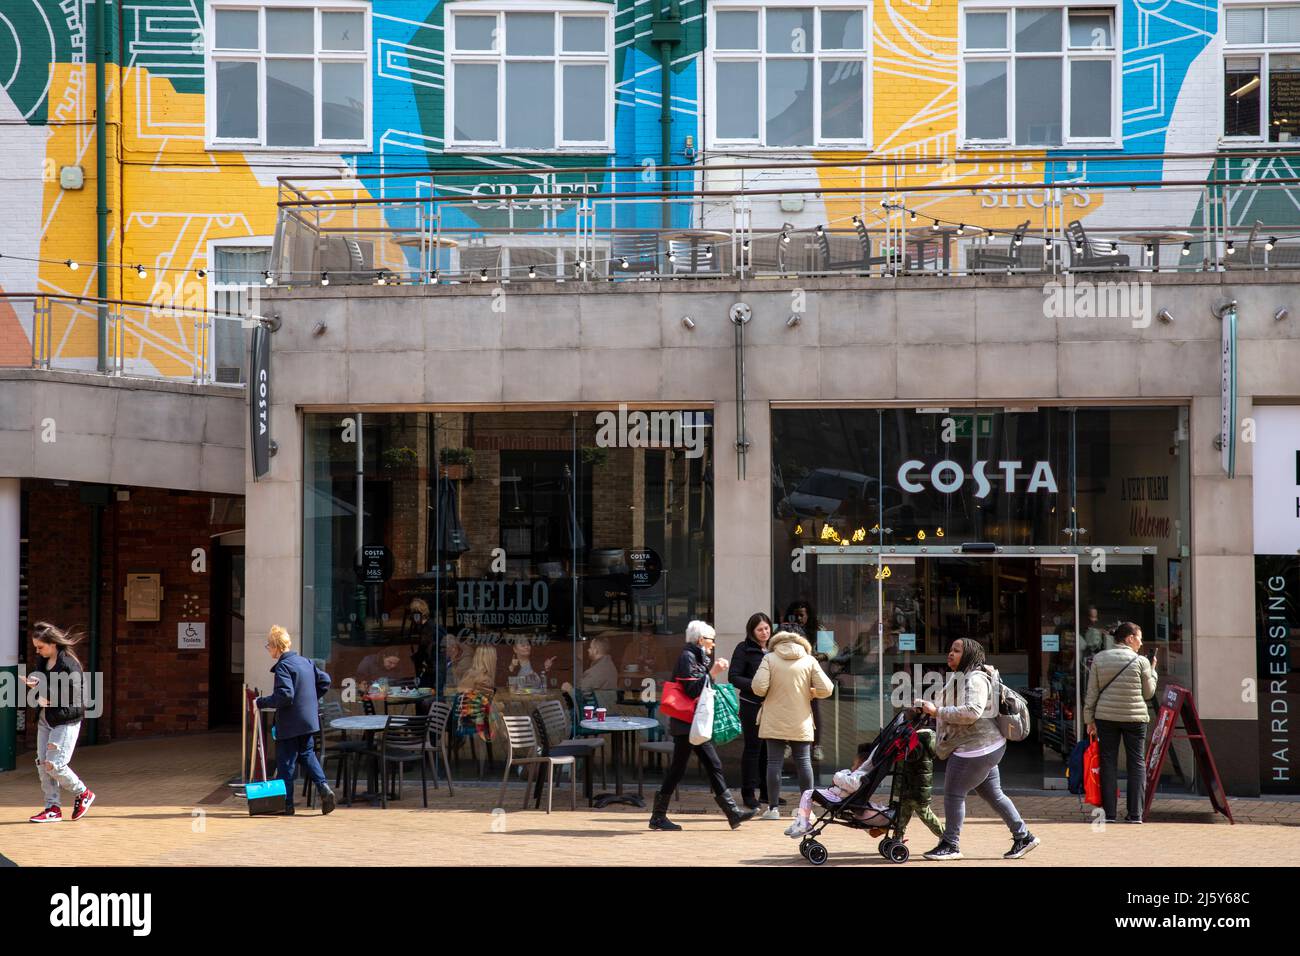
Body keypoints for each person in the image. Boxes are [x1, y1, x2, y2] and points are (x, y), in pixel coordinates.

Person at [915, 638, 1038, 860]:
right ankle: (1024, 837)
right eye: (950, 649)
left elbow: (972, 711)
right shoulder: (962, 677)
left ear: (969, 655)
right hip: (986, 746)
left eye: (957, 650)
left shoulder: (974, 679)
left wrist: (937, 712)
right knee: (993, 794)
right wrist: (932, 709)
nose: (950, 653)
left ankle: (951, 844)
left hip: (975, 749)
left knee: (953, 794)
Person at [648, 621, 756, 832]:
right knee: (681, 769)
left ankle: (732, 814)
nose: (713, 644)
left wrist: (712, 675)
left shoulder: (696, 656)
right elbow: (692, 690)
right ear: (700, 640)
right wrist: (713, 673)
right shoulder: (687, 657)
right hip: (686, 724)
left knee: (711, 764)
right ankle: (658, 817)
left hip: (694, 723)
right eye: (711, 640)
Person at [752, 629, 834, 820]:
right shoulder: (809, 660)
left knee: (773, 763)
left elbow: (758, 687)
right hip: (801, 718)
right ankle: (806, 810)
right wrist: (812, 692)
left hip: (774, 717)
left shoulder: (769, 658)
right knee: (804, 762)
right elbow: (827, 689)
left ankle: (773, 809)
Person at [256, 626, 336, 816]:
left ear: (276, 646)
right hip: (308, 721)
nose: (268, 649)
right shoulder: (305, 661)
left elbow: (285, 695)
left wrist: (262, 702)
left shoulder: (284, 666)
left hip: (290, 723)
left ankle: (287, 805)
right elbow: (325, 681)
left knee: (286, 763)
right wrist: (309, 700)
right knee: (307, 754)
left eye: (269, 646)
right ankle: (324, 788)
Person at [1084, 622, 1158, 824]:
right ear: (1129, 638)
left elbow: (1092, 693)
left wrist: (1089, 719)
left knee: (1108, 763)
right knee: (1136, 763)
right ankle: (1135, 814)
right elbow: (1149, 693)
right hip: (1135, 719)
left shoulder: (1099, 659)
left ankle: (1109, 813)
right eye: (1139, 638)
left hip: (1106, 718)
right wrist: (1153, 671)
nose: (1141, 643)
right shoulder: (1141, 661)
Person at [25, 623, 95, 823]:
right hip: (45, 718)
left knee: (54, 764)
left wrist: (45, 695)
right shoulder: (42, 661)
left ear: (53, 643)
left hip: (65, 720)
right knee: (42, 763)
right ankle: (52, 808)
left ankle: (83, 792)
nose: (37, 651)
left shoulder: (69, 664)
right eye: (36, 647)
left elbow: (74, 695)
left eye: (40, 647)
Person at [729, 612, 773, 809]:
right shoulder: (744, 649)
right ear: (752, 632)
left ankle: (767, 793)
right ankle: (748, 794)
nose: (764, 632)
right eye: (759, 629)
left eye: (766, 628)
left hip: (772, 707)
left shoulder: (775, 648)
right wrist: (756, 685)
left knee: (768, 751)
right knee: (753, 749)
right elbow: (734, 676)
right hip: (751, 706)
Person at [784, 741, 871, 838]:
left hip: (838, 798)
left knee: (808, 794)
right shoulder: (856, 774)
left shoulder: (860, 775)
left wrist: (837, 777)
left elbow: (852, 785)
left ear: (861, 765)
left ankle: (804, 825)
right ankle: (800, 821)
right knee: (807, 795)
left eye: (854, 764)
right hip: (837, 794)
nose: (852, 767)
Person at [783, 600, 827, 761]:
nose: (799, 619)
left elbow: (833, 648)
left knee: (814, 711)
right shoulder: (786, 630)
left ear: (809, 615)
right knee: (788, 709)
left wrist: (821, 656)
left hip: (809, 676)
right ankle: (787, 743)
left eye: (802, 615)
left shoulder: (817, 630)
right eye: (796, 615)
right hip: (791, 675)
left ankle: (817, 746)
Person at [891, 715, 944, 845]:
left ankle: (945, 836)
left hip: (916, 788)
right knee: (903, 815)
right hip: (912, 786)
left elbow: (907, 759)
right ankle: (897, 838)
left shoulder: (916, 743)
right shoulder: (918, 741)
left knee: (925, 814)